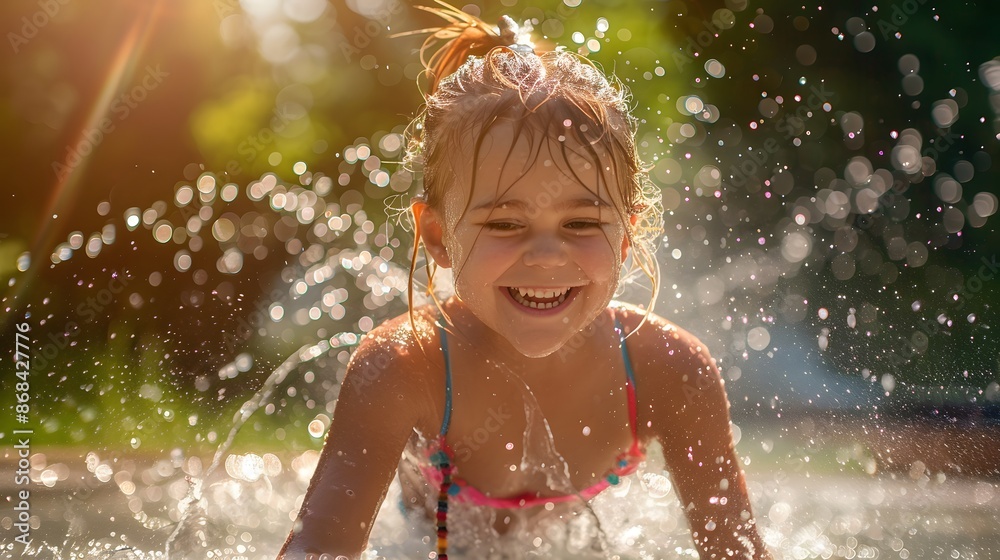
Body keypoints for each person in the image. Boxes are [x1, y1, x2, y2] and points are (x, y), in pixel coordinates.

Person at [279, 5, 771, 559]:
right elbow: (317, 547)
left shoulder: (669, 370)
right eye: (505, 224)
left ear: (626, 236)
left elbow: (737, 550)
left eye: (581, 224)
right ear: (438, 236)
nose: (545, 256)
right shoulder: (403, 367)